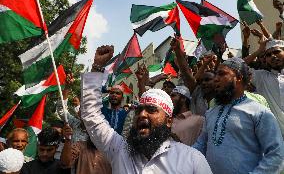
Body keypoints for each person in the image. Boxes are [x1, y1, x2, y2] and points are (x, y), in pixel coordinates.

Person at [80, 45, 212, 174]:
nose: (142, 114)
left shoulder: (192, 159)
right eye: (138, 110)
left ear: (169, 121)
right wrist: (97, 67)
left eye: (151, 109)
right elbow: (91, 115)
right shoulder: (119, 149)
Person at [193, 57, 284, 174]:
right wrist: (180, 156)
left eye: (221, 74)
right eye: (215, 74)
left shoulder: (259, 111)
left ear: (239, 77)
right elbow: (201, 144)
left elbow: (277, 154)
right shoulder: (210, 112)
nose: (215, 79)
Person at [245, 37, 284, 137]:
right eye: (268, 55)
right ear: (265, 59)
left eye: (276, 52)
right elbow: (233, 67)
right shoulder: (260, 77)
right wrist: (259, 50)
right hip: (275, 138)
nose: (273, 56)